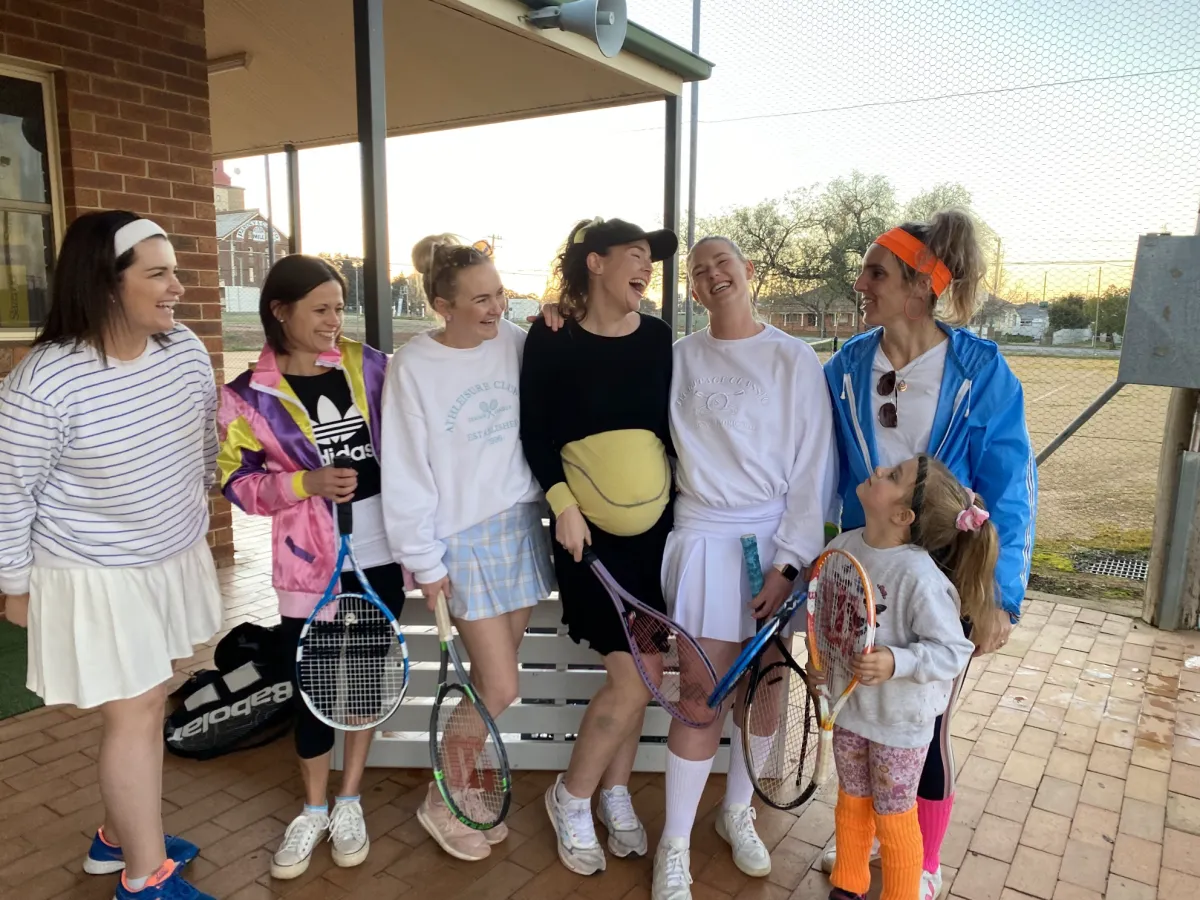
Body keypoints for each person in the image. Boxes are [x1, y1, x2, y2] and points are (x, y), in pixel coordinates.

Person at [0, 211, 222, 900]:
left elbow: (204, 442)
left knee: (154, 696)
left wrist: (199, 509)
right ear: (105, 284)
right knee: (137, 711)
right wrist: (14, 586)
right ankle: (143, 878)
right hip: (93, 572)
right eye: (158, 274)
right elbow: (7, 490)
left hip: (170, 553)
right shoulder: (45, 382)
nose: (177, 287)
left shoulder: (183, 349)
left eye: (174, 271)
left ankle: (117, 838)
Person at [822, 209, 1037, 899]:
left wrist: (999, 598)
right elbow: (821, 467)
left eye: (876, 273)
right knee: (862, 710)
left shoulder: (980, 371)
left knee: (926, 720)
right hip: (867, 568)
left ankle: (923, 859)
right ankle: (865, 835)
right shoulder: (847, 368)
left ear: (920, 287)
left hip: (943, 577)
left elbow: (1010, 487)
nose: (861, 284)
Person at [652, 236, 837, 900]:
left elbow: (813, 470)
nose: (712, 275)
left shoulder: (794, 358)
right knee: (701, 697)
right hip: (702, 537)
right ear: (693, 290)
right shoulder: (677, 357)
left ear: (749, 272)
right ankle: (674, 845)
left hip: (772, 544)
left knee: (766, 691)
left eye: (722, 263)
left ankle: (737, 811)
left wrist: (788, 564)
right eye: (699, 271)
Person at [217, 254, 401, 880]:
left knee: (365, 682)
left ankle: (349, 800)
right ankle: (314, 808)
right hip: (307, 566)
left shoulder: (367, 364)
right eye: (320, 309)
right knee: (314, 690)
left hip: (381, 554)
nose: (334, 321)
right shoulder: (245, 396)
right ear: (280, 311)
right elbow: (238, 485)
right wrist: (305, 482)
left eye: (339, 308)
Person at [381, 235, 553, 861]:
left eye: (500, 294)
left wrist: (554, 320)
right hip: (461, 540)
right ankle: (441, 800)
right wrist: (424, 561)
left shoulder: (512, 340)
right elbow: (405, 469)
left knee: (486, 681)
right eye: (481, 299)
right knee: (500, 688)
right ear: (441, 305)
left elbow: (555, 360)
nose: (496, 308)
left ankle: (457, 788)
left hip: (520, 527)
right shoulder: (412, 366)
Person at [519, 217, 677, 876]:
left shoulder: (661, 339)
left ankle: (614, 792)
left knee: (646, 673)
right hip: (585, 537)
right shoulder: (551, 336)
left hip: (656, 542)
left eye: (650, 259)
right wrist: (563, 506)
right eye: (635, 254)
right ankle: (571, 796)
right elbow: (535, 431)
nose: (646, 268)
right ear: (596, 262)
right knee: (633, 676)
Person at [822, 455, 987, 900]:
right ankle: (848, 886)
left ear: (902, 516)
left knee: (894, 817)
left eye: (893, 476)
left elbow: (954, 651)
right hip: (850, 711)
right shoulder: (843, 548)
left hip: (900, 725)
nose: (879, 470)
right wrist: (825, 665)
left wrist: (898, 662)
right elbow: (833, 620)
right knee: (852, 802)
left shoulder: (919, 576)